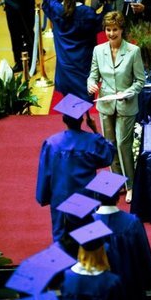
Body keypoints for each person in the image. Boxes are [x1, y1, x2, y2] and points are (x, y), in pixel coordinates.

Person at [84, 170, 151, 300]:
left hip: (99, 297)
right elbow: (144, 259)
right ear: (118, 195)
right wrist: (149, 280)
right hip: (130, 292)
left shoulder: (88, 225)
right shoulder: (132, 223)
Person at [35, 94, 115, 242]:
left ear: (64, 119)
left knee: (61, 240)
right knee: (87, 237)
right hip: (86, 198)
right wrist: (95, 130)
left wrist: (44, 196)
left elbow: (45, 173)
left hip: (61, 198)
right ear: (82, 120)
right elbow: (108, 156)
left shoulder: (52, 143)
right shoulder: (92, 141)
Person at [87, 11, 145, 204]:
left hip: (126, 105)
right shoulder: (98, 50)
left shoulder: (133, 51)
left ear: (122, 30)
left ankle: (131, 185)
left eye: (115, 30)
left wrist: (128, 92)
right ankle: (117, 180)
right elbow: (93, 75)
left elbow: (140, 81)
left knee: (122, 144)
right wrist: (91, 84)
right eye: (108, 29)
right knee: (110, 145)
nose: (111, 33)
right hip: (105, 104)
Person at [42, 0, 110, 103]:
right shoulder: (87, 13)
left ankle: (77, 119)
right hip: (83, 71)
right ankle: (76, 120)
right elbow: (104, 20)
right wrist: (105, 1)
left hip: (64, 72)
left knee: (73, 108)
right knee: (79, 106)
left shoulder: (58, 10)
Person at [2, 0, 35, 73]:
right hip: (10, 2)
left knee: (27, 32)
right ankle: (19, 62)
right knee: (14, 33)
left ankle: (32, 62)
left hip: (24, 0)